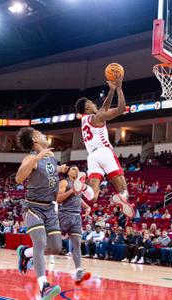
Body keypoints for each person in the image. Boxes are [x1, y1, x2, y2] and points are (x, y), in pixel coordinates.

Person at [14, 127, 68, 299]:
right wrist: (36, 158)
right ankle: (44, 286)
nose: (45, 135)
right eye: (42, 134)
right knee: (40, 242)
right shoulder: (31, 157)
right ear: (36, 139)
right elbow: (19, 178)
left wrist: (61, 169)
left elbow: (50, 171)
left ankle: (25, 253)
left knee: (56, 247)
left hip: (50, 209)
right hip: (33, 207)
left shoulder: (51, 156)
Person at [74, 74, 135, 218]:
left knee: (93, 196)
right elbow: (120, 109)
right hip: (104, 152)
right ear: (87, 106)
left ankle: (83, 187)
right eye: (90, 101)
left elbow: (103, 108)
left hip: (92, 157)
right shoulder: (97, 117)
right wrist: (119, 89)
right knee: (123, 189)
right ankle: (121, 197)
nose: (92, 102)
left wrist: (111, 91)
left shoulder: (85, 120)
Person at [56, 165, 92, 284]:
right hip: (64, 215)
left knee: (76, 245)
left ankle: (78, 271)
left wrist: (87, 206)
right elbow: (58, 198)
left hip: (76, 217)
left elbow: (78, 198)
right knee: (52, 245)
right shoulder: (64, 182)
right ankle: (30, 255)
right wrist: (72, 190)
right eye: (73, 169)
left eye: (77, 169)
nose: (76, 170)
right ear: (68, 172)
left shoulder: (79, 184)